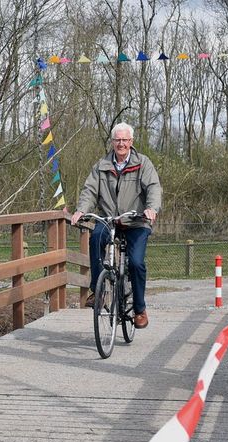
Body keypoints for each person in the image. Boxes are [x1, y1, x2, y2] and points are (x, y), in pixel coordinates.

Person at [70, 122, 162, 329]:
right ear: (112, 142)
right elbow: (90, 190)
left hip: (136, 220)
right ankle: (98, 290)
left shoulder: (143, 164)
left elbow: (154, 188)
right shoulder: (102, 165)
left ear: (131, 142)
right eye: (117, 140)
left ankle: (140, 309)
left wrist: (151, 208)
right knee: (95, 239)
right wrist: (81, 210)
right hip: (110, 219)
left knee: (137, 263)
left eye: (124, 140)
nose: (121, 144)